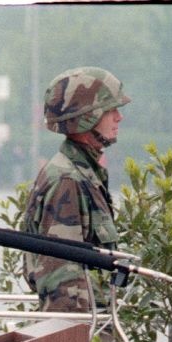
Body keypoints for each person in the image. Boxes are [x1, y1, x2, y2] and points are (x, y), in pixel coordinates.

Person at [21, 67, 131, 315]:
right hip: (83, 336)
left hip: (93, 328)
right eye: (110, 109)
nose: (118, 117)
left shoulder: (82, 174)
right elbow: (63, 286)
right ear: (88, 117)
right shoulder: (67, 180)